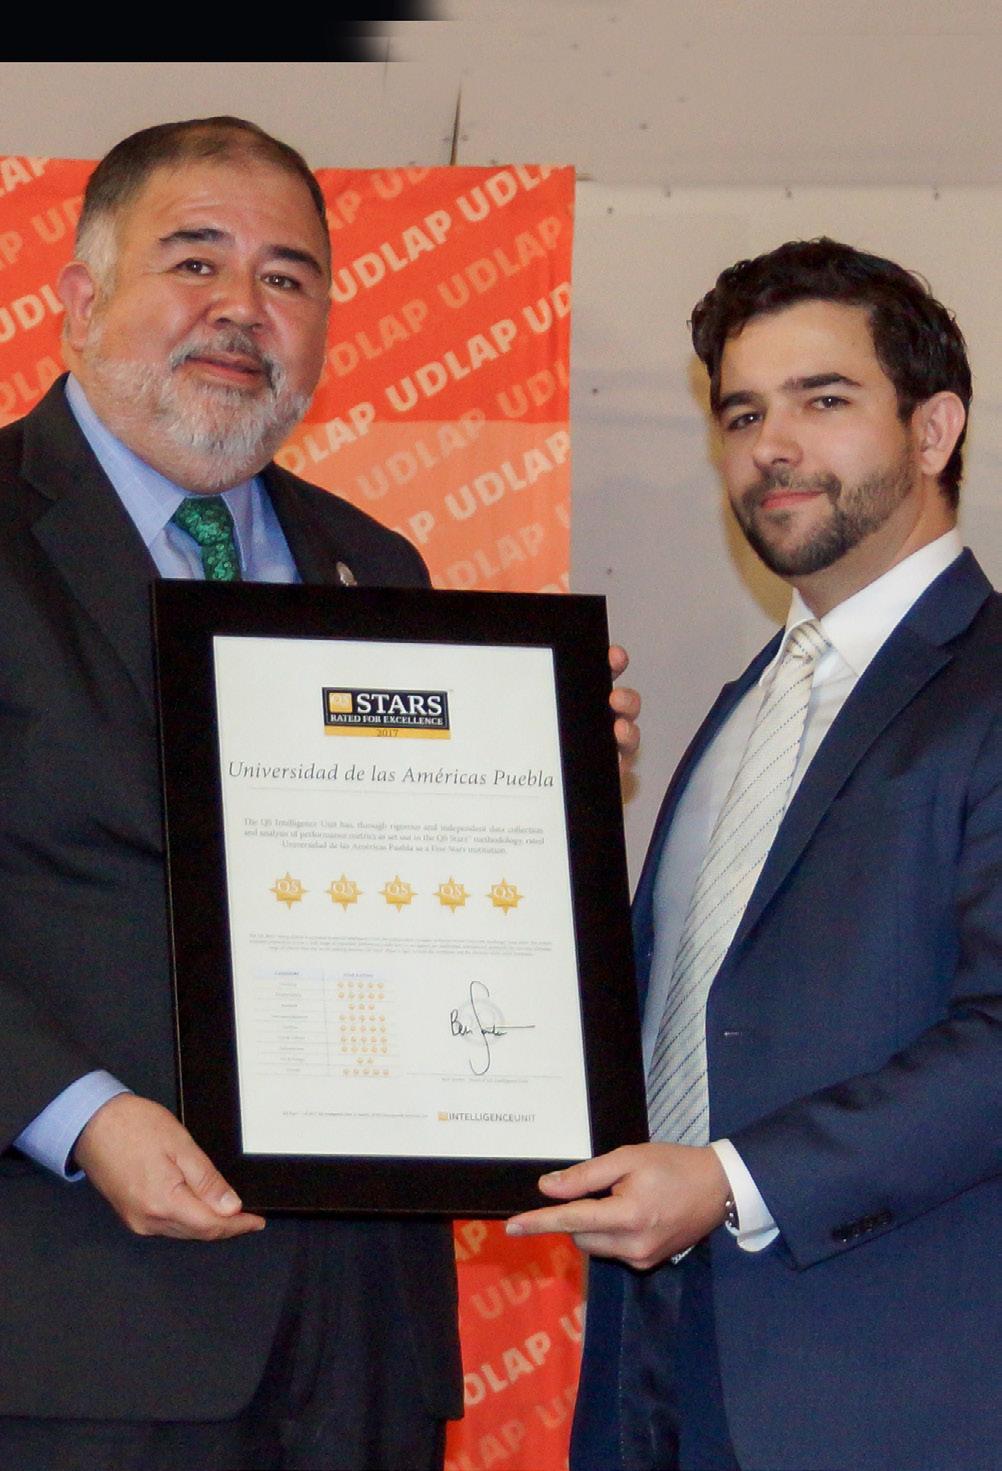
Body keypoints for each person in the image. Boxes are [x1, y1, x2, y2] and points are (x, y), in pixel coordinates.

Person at [0, 116, 638, 1471]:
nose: (244, 306)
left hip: (363, 1343)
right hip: (76, 1328)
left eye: (287, 276)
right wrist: (77, 1112)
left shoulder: (374, 559)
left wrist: (552, 780)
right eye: (196, 260)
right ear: (79, 299)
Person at [507, 238, 1002, 1471]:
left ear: (934, 428)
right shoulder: (744, 705)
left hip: (889, 1390)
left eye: (822, 401)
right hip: (656, 1354)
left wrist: (732, 1181)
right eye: (741, 414)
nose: (771, 446)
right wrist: (526, 793)